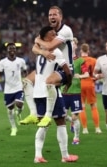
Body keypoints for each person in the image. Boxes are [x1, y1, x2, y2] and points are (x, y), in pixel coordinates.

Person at [33, 26, 78, 163]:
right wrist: (68, 82)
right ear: (47, 37)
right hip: (51, 91)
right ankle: (65, 156)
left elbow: (35, 47)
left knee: (43, 125)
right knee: (61, 122)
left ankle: (38, 156)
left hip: (38, 92)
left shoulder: (39, 51)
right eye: (53, 33)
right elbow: (67, 71)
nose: (55, 35)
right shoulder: (56, 51)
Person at [32, 5, 74, 127]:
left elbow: (49, 46)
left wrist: (38, 40)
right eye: (50, 15)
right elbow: (33, 48)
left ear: (60, 16)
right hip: (53, 68)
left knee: (49, 82)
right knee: (28, 81)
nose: (52, 17)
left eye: (54, 14)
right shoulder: (49, 30)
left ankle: (49, 115)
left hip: (66, 68)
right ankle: (34, 113)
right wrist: (42, 52)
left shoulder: (66, 30)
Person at [0, 42, 27, 136]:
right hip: (8, 89)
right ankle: (13, 128)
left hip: (18, 87)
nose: (12, 50)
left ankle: (19, 113)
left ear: (16, 50)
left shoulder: (21, 61)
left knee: (19, 103)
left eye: (14, 48)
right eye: (10, 48)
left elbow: (25, 71)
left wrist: (25, 79)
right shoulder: (2, 62)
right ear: (7, 50)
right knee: (10, 109)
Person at [63, 38, 89, 145]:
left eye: (73, 43)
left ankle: (76, 138)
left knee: (75, 116)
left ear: (76, 46)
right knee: (62, 116)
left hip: (75, 92)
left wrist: (80, 75)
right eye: (69, 43)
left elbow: (87, 74)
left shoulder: (80, 61)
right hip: (64, 92)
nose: (71, 45)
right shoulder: (63, 60)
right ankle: (72, 122)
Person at [79, 43, 102, 134]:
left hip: (80, 85)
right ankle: (97, 128)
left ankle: (85, 129)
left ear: (81, 51)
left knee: (82, 107)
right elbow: (96, 74)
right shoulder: (94, 60)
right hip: (90, 84)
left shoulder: (77, 60)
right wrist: (95, 79)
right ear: (88, 51)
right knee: (93, 106)